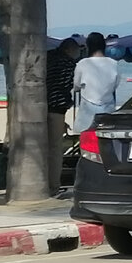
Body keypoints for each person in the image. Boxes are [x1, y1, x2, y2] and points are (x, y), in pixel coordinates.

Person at [46, 38, 80, 192]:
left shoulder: (48, 58)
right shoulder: (67, 64)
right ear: (69, 50)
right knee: (55, 148)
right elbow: (67, 85)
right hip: (57, 107)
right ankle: (53, 185)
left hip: (41, 105)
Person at [73, 32, 120, 134]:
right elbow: (115, 85)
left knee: (85, 136)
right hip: (107, 107)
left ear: (88, 46)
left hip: (87, 109)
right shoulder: (114, 63)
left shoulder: (83, 63)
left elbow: (76, 86)